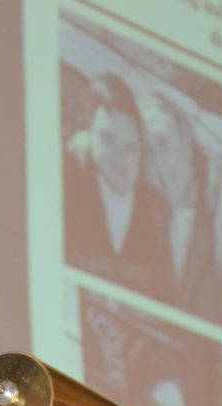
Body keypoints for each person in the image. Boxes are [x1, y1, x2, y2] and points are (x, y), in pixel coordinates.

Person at [64, 72, 168, 295]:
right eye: (107, 138)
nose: (119, 156)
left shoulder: (158, 215)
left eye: (130, 146)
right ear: (88, 133)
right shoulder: (69, 186)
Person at [136, 88, 222, 324]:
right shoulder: (144, 220)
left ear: (186, 139)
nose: (158, 163)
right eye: (147, 151)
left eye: (164, 143)